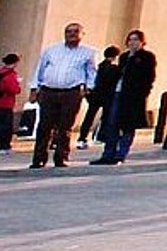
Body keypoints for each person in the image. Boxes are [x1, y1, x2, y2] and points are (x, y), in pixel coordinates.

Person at [30, 23, 97, 168]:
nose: (71, 34)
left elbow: (91, 73)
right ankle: (39, 158)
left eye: (75, 32)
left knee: (65, 127)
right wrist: (34, 88)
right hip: (49, 91)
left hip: (71, 92)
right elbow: (40, 69)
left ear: (81, 34)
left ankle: (61, 157)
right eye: (68, 31)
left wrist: (88, 88)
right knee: (44, 126)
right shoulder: (51, 50)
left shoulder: (88, 52)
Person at [90, 30, 158, 165]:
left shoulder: (146, 57)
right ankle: (108, 153)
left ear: (142, 42)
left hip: (132, 97)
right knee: (111, 123)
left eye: (136, 40)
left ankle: (121, 153)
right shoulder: (124, 57)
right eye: (130, 40)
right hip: (117, 93)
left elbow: (148, 78)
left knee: (128, 125)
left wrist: (142, 94)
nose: (132, 43)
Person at [75, 45, 117, 150]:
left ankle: (82, 137)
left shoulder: (100, 66)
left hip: (95, 95)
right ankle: (100, 136)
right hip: (107, 96)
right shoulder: (114, 68)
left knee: (89, 116)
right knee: (105, 117)